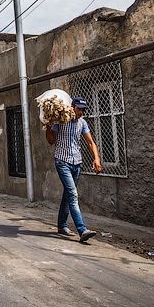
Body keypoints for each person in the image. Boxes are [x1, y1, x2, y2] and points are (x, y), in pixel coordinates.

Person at [44, 96, 102, 243]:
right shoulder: (61, 120)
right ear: (73, 107)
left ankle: (62, 226)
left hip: (77, 163)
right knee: (72, 194)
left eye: (83, 110)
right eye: (79, 109)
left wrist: (97, 158)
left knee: (68, 194)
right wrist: (48, 126)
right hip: (62, 161)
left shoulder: (82, 123)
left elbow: (90, 142)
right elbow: (51, 140)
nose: (81, 112)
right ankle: (82, 229)